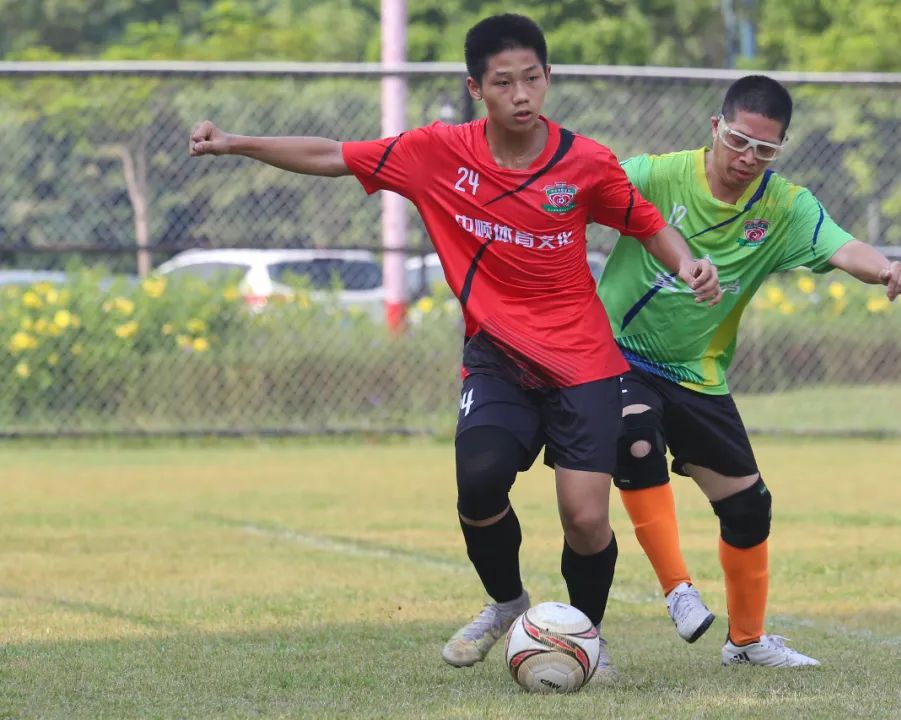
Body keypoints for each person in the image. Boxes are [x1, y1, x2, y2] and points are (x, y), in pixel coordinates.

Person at [189, 13, 720, 681]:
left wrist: (689, 262)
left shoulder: (584, 163)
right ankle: (507, 603)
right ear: (477, 88)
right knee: (478, 481)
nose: (522, 94)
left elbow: (644, 223)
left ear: (549, 79)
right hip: (498, 358)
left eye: (534, 78)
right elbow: (332, 154)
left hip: (583, 363)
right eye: (505, 82)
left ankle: (586, 637)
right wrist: (235, 143)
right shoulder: (437, 153)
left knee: (585, 520)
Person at [597, 75, 901, 666]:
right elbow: (587, 188)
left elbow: (845, 247)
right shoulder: (656, 175)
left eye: (765, 150)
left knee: (749, 507)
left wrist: (885, 270)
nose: (748, 158)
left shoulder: (784, 206)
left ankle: (745, 643)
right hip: (617, 354)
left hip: (698, 372)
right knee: (635, 435)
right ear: (716, 128)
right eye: (740, 141)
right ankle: (679, 591)